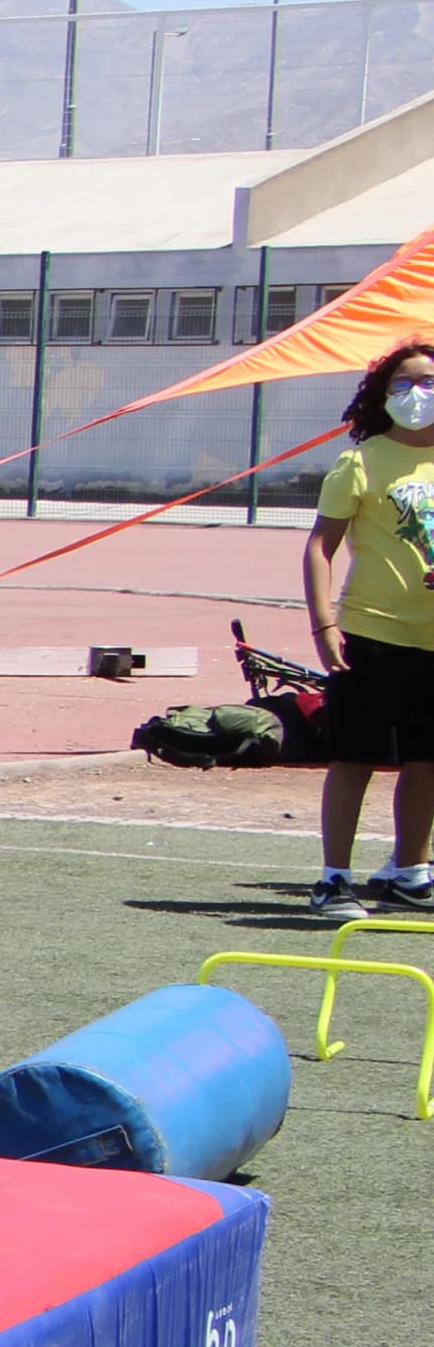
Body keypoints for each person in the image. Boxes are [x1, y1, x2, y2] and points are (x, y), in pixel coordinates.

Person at [301, 340, 434, 916]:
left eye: (428, 383)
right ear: (382, 395)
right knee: (354, 756)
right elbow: (319, 547)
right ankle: (334, 878)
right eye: (402, 384)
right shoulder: (361, 460)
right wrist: (324, 624)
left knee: (427, 760)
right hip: (371, 634)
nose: (416, 395)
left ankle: (410, 868)